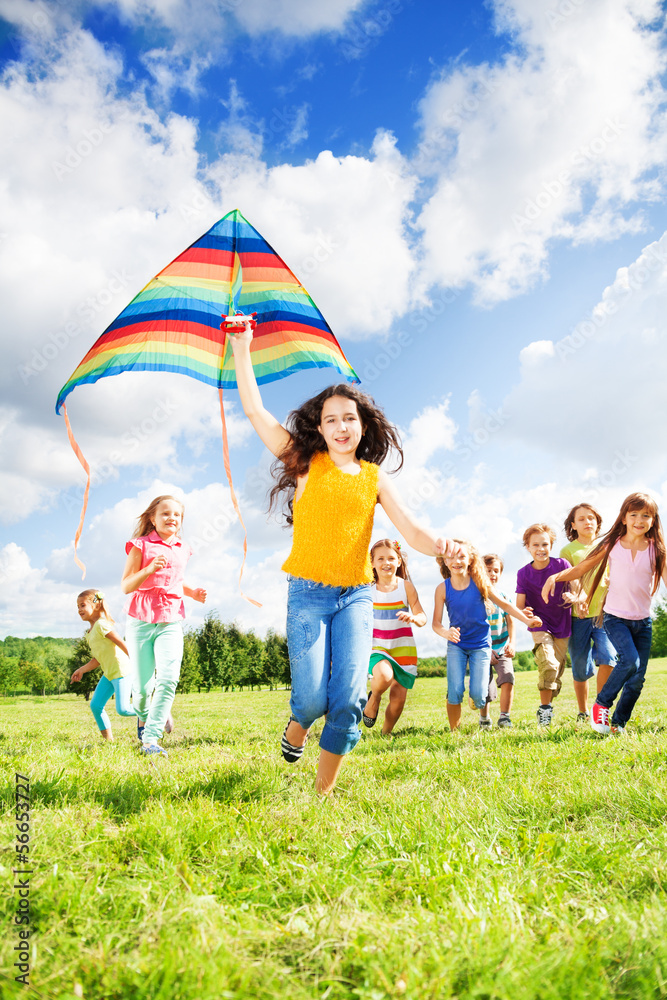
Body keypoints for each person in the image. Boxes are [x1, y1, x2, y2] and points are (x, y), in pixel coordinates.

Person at [228, 319, 460, 795]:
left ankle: (321, 795)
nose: (340, 426)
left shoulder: (374, 477)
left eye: (348, 418)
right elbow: (254, 410)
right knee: (313, 698)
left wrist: (442, 544)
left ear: (362, 425)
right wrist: (242, 345)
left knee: (349, 700)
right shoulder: (304, 463)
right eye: (330, 418)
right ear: (319, 426)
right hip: (308, 595)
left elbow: (412, 528)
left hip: (356, 597)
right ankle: (298, 723)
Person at [542, 492, 666, 735]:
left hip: (643, 621)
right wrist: (555, 576)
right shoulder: (612, 545)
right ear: (623, 518)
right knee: (630, 661)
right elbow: (582, 568)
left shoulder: (656, 549)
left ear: (653, 520)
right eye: (634, 515)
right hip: (615, 617)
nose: (639, 520)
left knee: (637, 679)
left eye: (646, 516)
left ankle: (618, 723)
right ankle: (602, 703)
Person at [121, 494, 206, 757]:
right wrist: (148, 570)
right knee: (143, 689)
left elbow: (174, 579)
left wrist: (192, 593)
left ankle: (151, 739)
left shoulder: (183, 548)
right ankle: (145, 716)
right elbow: (126, 586)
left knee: (169, 678)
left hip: (171, 619)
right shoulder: (141, 545)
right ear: (152, 519)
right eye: (165, 514)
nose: (172, 518)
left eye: (177, 515)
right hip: (141, 620)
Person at [433, 540, 541, 732]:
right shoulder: (442, 589)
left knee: (479, 695)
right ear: (444, 561)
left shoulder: (480, 584)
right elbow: (436, 624)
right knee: (454, 691)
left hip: (481, 645)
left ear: (471, 560)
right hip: (456, 645)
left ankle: (475, 695)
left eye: (462, 556)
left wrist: (527, 620)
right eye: (451, 557)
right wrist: (445, 632)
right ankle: (454, 733)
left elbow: (506, 606)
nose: (456, 561)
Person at [516, 523, 578, 727]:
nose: (540, 549)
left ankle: (546, 707)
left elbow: (577, 590)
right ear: (528, 547)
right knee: (549, 665)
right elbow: (520, 606)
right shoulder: (523, 573)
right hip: (539, 625)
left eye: (545, 544)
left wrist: (573, 596)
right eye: (535, 545)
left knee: (555, 672)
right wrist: (526, 613)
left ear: (551, 545)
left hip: (562, 624)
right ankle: (545, 711)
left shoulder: (562, 565)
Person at [363, 539, 426, 735]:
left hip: (403, 649)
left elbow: (422, 617)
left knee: (398, 699)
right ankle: (374, 698)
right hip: (377, 647)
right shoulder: (367, 590)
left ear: (399, 561)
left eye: (391, 558)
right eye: (380, 558)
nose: (386, 563)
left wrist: (414, 618)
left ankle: (386, 733)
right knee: (384, 675)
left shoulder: (405, 587)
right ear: (372, 563)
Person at [560, 503, 616, 721]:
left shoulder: (608, 546)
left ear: (597, 522)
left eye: (591, 518)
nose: (587, 522)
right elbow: (570, 578)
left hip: (605, 613)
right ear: (573, 525)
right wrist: (579, 598)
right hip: (578, 617)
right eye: (581, 519)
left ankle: (599, 707)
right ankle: (582, 712)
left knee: (609, 658)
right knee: (581, 668)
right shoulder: (568, 551)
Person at [70, 589, 136, 741]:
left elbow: (121, 642)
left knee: (124, 709)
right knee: (96, 706)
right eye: (77, 607)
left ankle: (157, 712)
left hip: (122, 671)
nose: (79, 610)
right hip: (109, 673)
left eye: (82, 605)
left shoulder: (101, 625)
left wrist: (136, 662)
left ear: (96, 605)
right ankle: (109, 742)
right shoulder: (90, 632)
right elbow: (97, 659)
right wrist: (81, 670)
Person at [481, 554, 516, 728]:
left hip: (502, 648)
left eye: (496, 571)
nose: (492, 574)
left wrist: (512, 643)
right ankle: (484, 718)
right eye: (488, 571)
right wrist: (487, 650)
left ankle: (504, 717)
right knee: (483, 686)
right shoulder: (477, 598)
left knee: (508, 678)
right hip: (481, 650)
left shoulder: (504, 597)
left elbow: (511, 622)